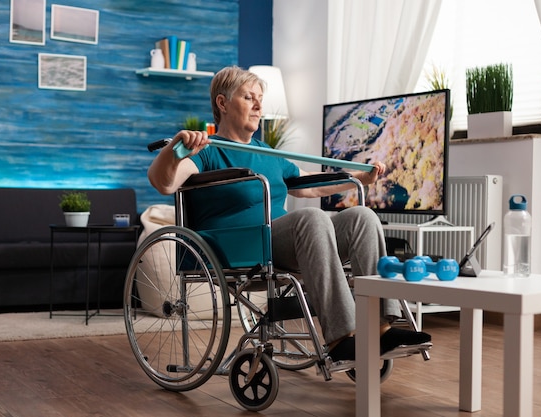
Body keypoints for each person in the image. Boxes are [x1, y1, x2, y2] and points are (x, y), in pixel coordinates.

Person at [148, 65, 431, 361]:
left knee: (364, 218)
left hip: (282, 241)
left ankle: (382, 328)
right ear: (222, 103)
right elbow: (163, 183)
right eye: (249, 97)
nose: (259, 106)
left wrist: (357, 178)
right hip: (238, 245)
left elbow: (308, 186)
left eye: (260, 98)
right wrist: (175, 151)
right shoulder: (207, 151)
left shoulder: (267, 152)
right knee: (312, 218)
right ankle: (342, 337)